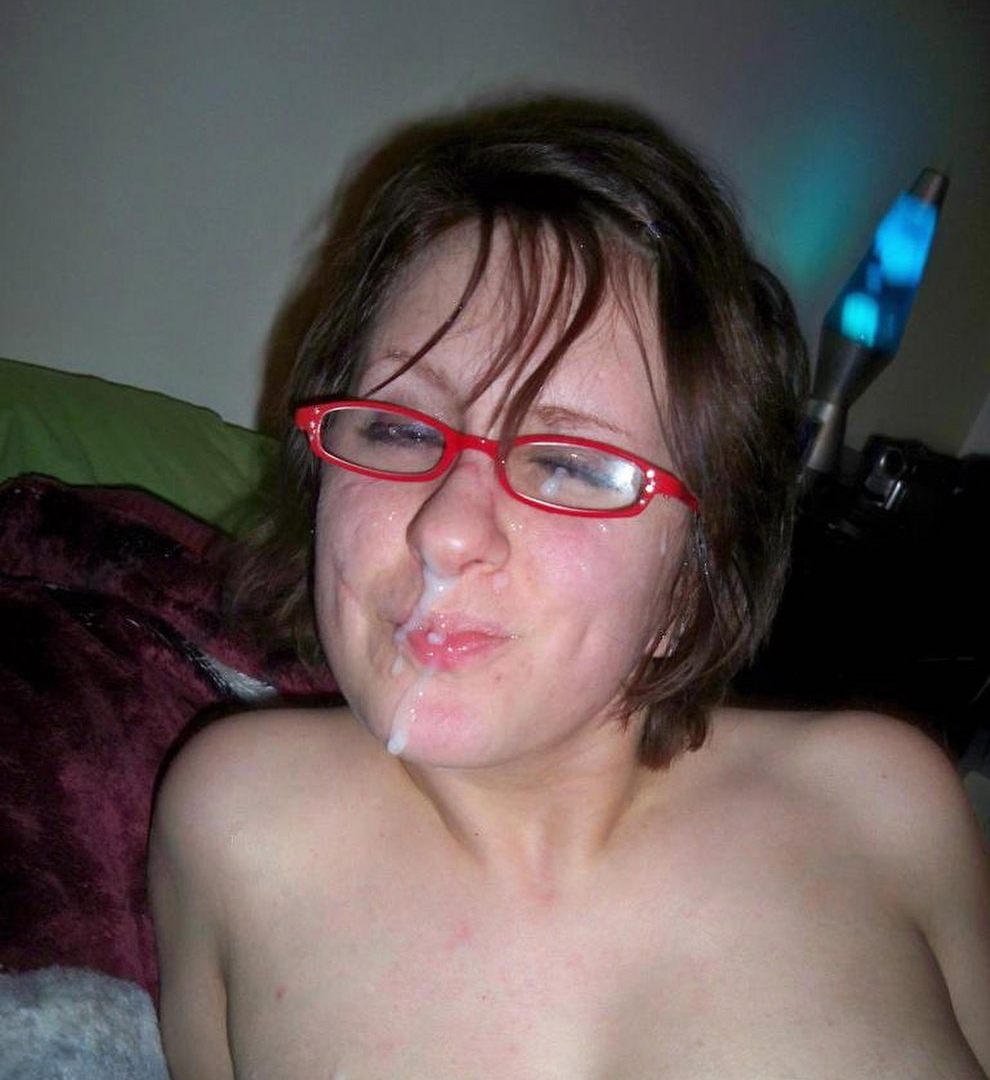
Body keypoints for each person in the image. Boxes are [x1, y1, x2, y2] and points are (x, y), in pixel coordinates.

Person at [149, 96, 990, 1078]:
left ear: (694, 580)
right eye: (402, 429)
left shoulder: (888, 804)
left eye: (570, 463)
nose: (445, 531)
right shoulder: (233, 824)